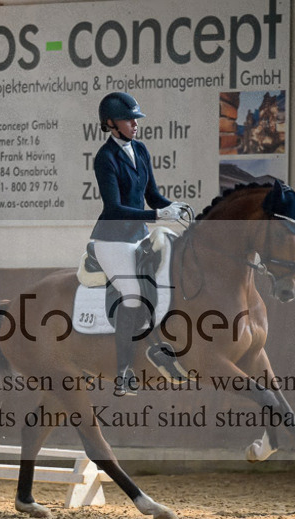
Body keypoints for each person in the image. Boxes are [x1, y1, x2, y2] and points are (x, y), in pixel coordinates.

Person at [90, 92, 190, 397]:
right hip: (111, 240)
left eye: (136, 119)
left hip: (138, 236)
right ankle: (123, 373)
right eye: (128, 119)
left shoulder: (141, 150)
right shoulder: (104, 158)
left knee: (164, 279)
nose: (135, 124)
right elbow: (114, 208)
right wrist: (158, 214)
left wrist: (172, 207)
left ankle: (157, 347)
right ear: (110, 124)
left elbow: (153, 196)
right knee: (133, 295)